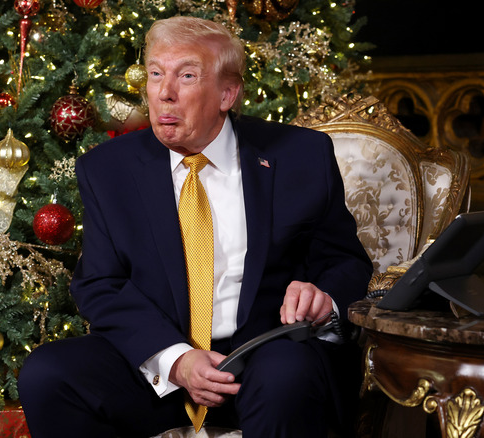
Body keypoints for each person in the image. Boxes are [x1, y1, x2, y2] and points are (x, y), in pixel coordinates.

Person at [18, 15, 373, 438]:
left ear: (228, 93)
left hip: (266, 356)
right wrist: (176, 359)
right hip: (161, 370)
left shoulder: (301, 155)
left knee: (285, 375)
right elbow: (100, 284)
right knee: (47, 373)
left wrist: (324, 300)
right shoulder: (107, 169)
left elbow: (346, 264)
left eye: (186, 76)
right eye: (155, 75)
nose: (164, 94)